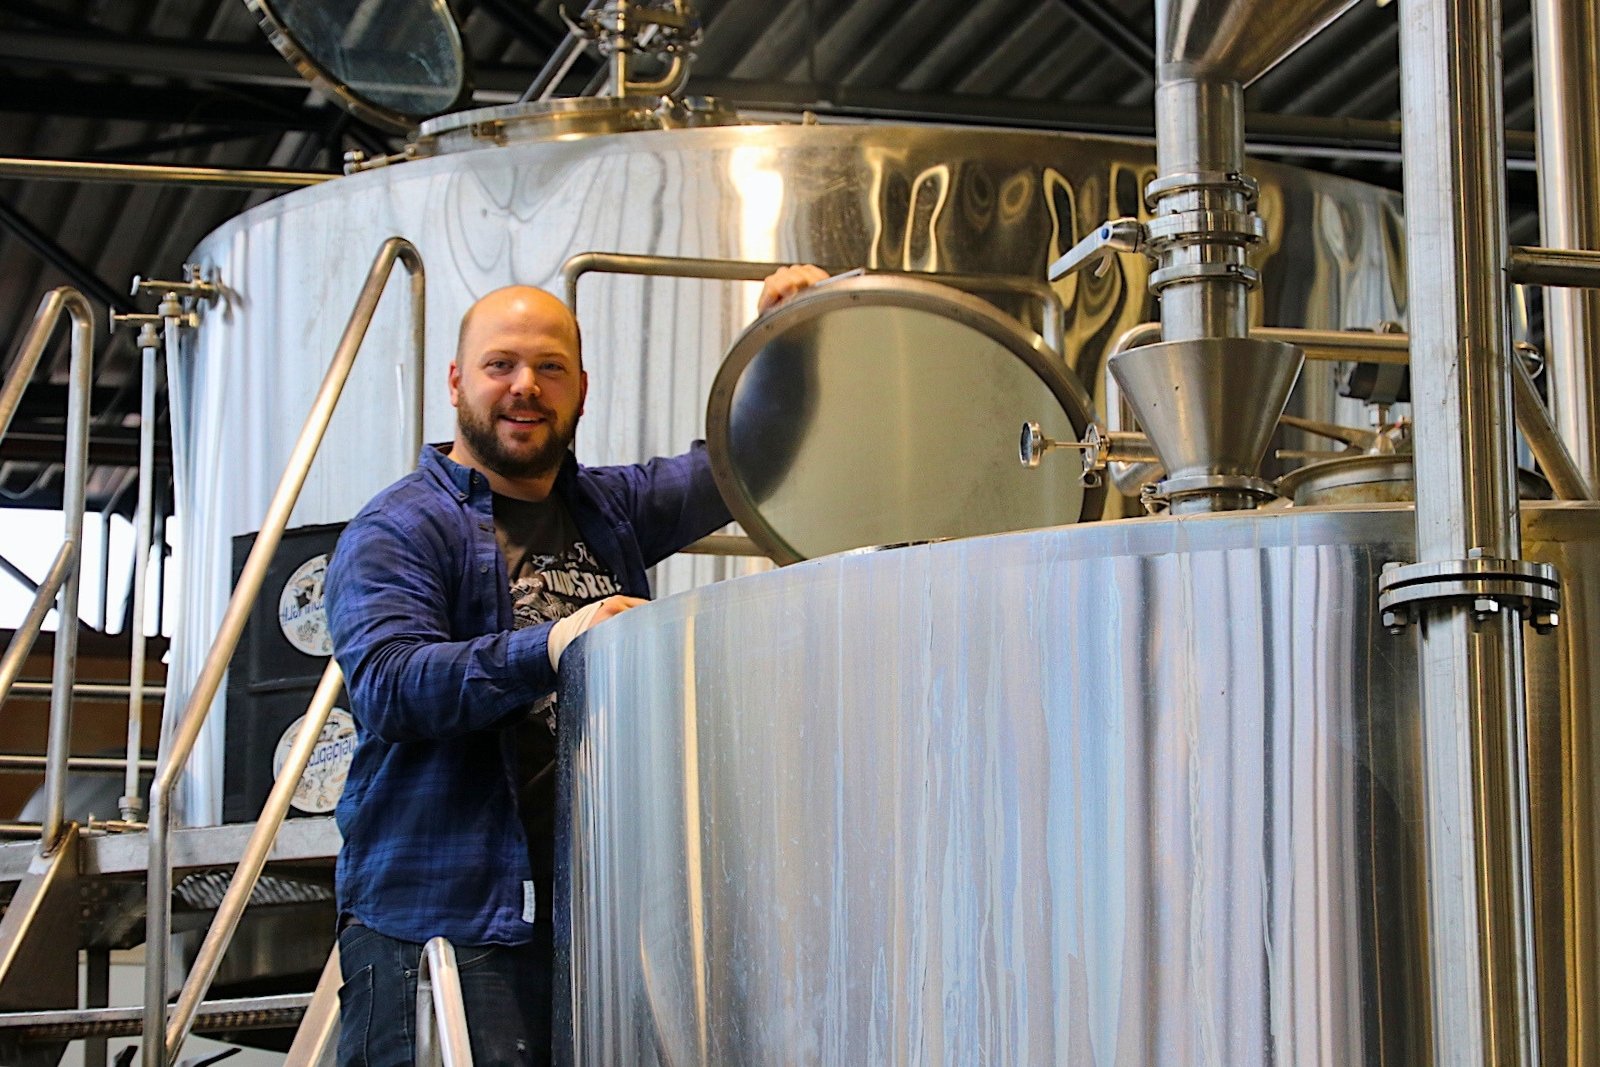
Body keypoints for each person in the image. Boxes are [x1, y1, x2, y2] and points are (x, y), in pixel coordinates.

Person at [323, 265, 828, 1067]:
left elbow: (745, 461)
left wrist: (791, 341)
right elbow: (391, 683)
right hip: (447, 926)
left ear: (582, 387)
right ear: (457, 382)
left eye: (550, 368)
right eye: (501, 365)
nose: (526, 386)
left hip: (593, 924)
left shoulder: (607, 508)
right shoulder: (400, 527)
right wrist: (556, 643)